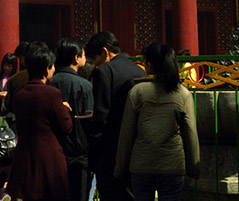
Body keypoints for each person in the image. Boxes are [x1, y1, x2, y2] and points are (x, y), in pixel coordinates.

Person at [115, 43, 200, 201]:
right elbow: (190, 132)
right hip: (172, 166)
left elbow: (127, 133)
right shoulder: (183, 94)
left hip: (142, 165)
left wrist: (120, 167)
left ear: (149, 65)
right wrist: (194, 166)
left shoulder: (137, 92)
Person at [8, 42, 73, 201]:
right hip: (48, 157)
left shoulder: (19, 93)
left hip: (24, 155)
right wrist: (65, 109)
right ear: (46, 69)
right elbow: (66, 127)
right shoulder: (52, 94)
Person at [85, 31, 145, 201]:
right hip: (136, 146)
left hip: (111, 148)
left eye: (95, 59)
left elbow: (102, 115)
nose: (95, 65)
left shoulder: (105, 71)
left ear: (105, 52)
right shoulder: (139, 70)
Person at [49, 38, 93, 201]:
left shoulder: (49, 83)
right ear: (76, 57)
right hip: (78, 152)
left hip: (54, 151)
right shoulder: (84, 85)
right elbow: (90, 120)